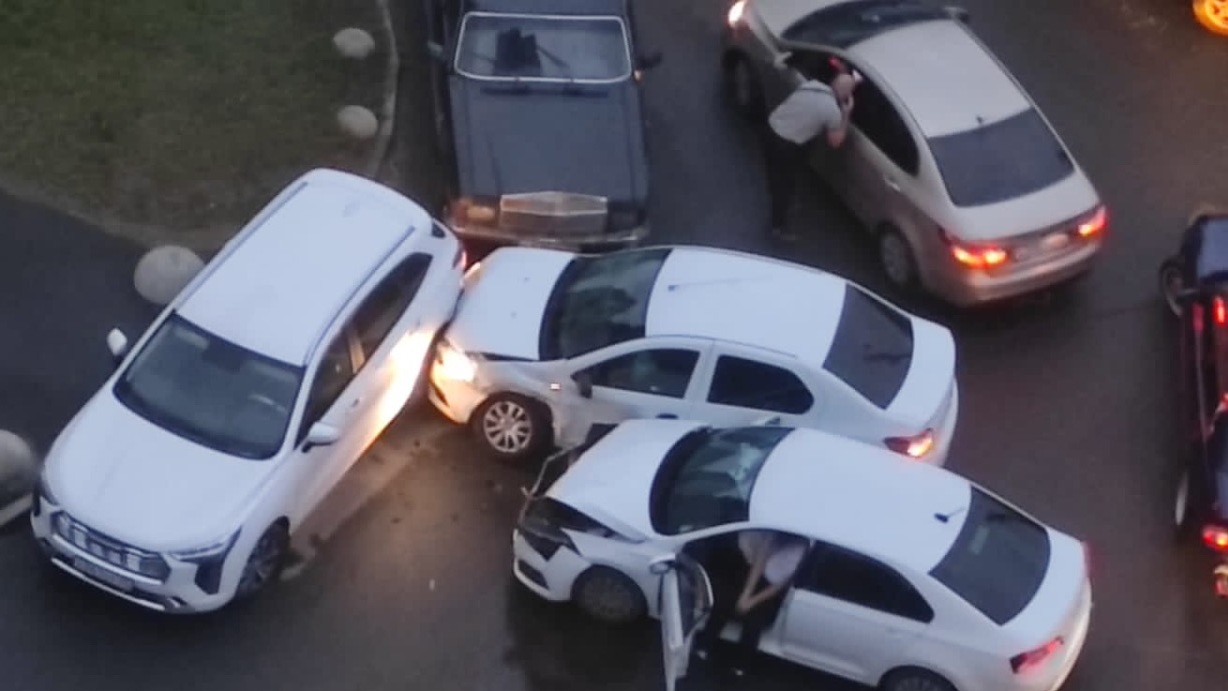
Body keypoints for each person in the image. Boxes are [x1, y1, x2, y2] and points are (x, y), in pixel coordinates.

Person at [695, 530, 810, 678]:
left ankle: (740, 666)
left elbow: (780, 585)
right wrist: (746, 595)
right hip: (755, 578)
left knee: (754, 622)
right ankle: (703, 645)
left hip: (770, 592)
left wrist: (753, 601)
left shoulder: (804, 547)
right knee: (726, 601)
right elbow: (759, 564)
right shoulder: (775, 533)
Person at [761, 67, 858, 241]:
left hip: (771, 128)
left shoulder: (812, 85)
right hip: (786, 145)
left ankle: (777, 195)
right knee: (783, 183)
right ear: (846, 96)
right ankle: (778, 227)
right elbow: (836, 141)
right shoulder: (832, 112)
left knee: (774, 173)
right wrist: (846, 114)